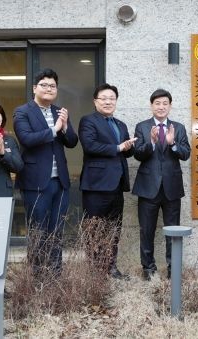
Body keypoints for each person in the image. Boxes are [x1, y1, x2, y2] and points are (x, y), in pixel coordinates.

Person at [13, 68, 78, 275]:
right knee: (38, 230)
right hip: (35, 182)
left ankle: (55, 275)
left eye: (52, 86)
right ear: (35, 88)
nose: (49, 89)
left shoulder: (59, 112)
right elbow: (27, 139)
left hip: (60, 181)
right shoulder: (23, 112)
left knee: (56, 230)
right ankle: (37, 276)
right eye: (44, 85)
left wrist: (65, 127)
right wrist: (54, 129)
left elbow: (72, 142)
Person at [78, 83, 137, 279]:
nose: (108, 102)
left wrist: (130, 146)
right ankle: (95, 273)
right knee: (94, 229)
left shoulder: (120, 124)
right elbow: (90, 146)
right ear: (95, 101)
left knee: (114, 229)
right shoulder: (88, 121)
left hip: (117, 185)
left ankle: (111, 267)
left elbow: (126, 152)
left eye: (112, 98)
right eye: (103, 98)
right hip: (96, 185)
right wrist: (119, 147)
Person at [132, 88, 190, 280]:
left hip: (172, 188)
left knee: (173, 231)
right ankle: (148, 269)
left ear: (170, 106)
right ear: (151, 106)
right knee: (146, 230)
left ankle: (173, 269)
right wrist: (151, 142)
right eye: (157, 103)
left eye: (165, 103)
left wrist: (173, 144)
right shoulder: (142, 127)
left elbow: (186, 154)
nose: (161, 107)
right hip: (148, 187)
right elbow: (138, 154)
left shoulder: (178, 128)